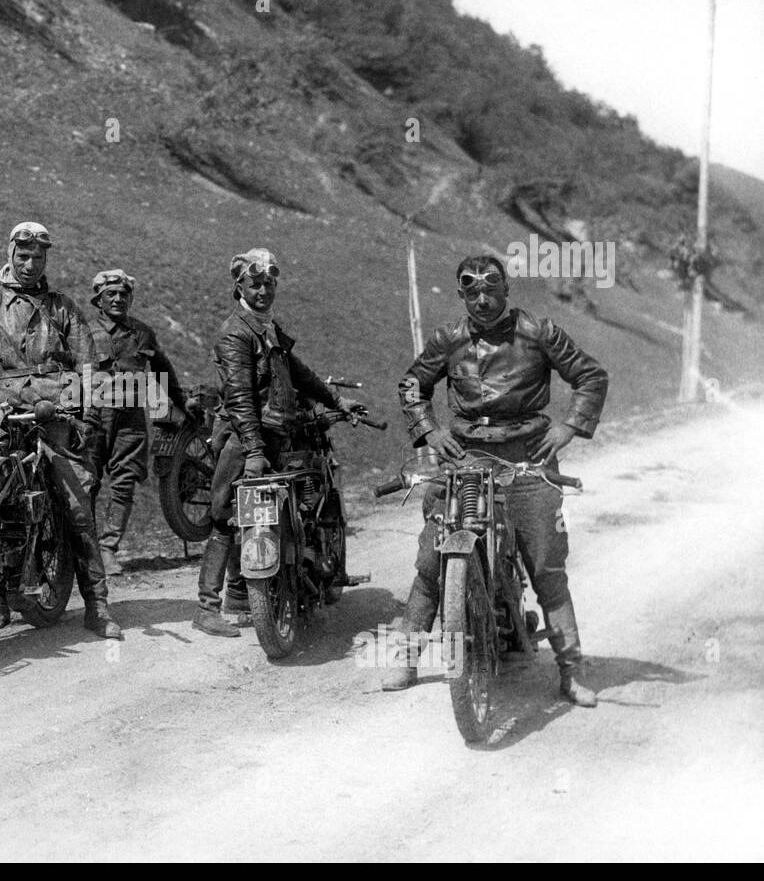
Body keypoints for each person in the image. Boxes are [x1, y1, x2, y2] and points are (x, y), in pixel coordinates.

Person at [382, 254, 608, 706]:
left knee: (546, 567)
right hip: (466, 457)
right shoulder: (449, 339)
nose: (483, 300)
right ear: (463, 295)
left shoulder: (538, 332)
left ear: (506, 290)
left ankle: (571, 670)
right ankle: (406, 656)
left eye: (492, 289)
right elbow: (412, 384)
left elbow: (590, 375)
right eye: (472, 292)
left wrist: (568, 427)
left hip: (527, 459)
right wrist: (429, 429)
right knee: (432, 557)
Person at [0, 222, 122, 639]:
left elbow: (90, 367)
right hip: (3, 411)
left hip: (56, 411)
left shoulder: (63, 308)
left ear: (45, 260)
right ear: (10, 254)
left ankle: (97, 604)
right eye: (22, 256)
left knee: (77, 505)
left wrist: (85, 410)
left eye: (37, 257)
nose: (29, 264)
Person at [194, 248, 362, 637]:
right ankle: (206, 607)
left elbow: (297, 372)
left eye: (270, 282)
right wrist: (253, 450)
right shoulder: (236, 331)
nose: (264, 289)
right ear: (239, 286)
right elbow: (238, 397)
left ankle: (243, 595)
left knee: (278, 513)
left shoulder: (266, 327)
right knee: (225, 516)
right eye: (255, 283)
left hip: (274, 436)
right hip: (242, 437)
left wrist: (336, 399)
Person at [85, 268, 186, 575]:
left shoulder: (142, 333)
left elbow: (163, 370)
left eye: (123, 294)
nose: (118, 299)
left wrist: (180, 404)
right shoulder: (83, 330)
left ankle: (108, 548)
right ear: (98, 300)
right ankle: (85, 551)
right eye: (110, 295)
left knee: (125, 481)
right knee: (86, 481)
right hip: (92, 417)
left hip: (130, 417)